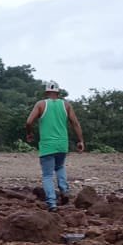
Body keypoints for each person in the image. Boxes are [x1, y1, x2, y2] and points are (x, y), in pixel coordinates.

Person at [25, 81, 84, 211]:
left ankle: (52, 203)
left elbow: (29, 121)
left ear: (46, 92)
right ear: (58, 93)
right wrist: (80, 141)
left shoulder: (41, 104)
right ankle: (64, 191)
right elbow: (75, 123)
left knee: (47, 175)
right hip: (62, 144)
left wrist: (29, 133)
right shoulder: (66, 105)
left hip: (47, 145)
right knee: (60, 167)